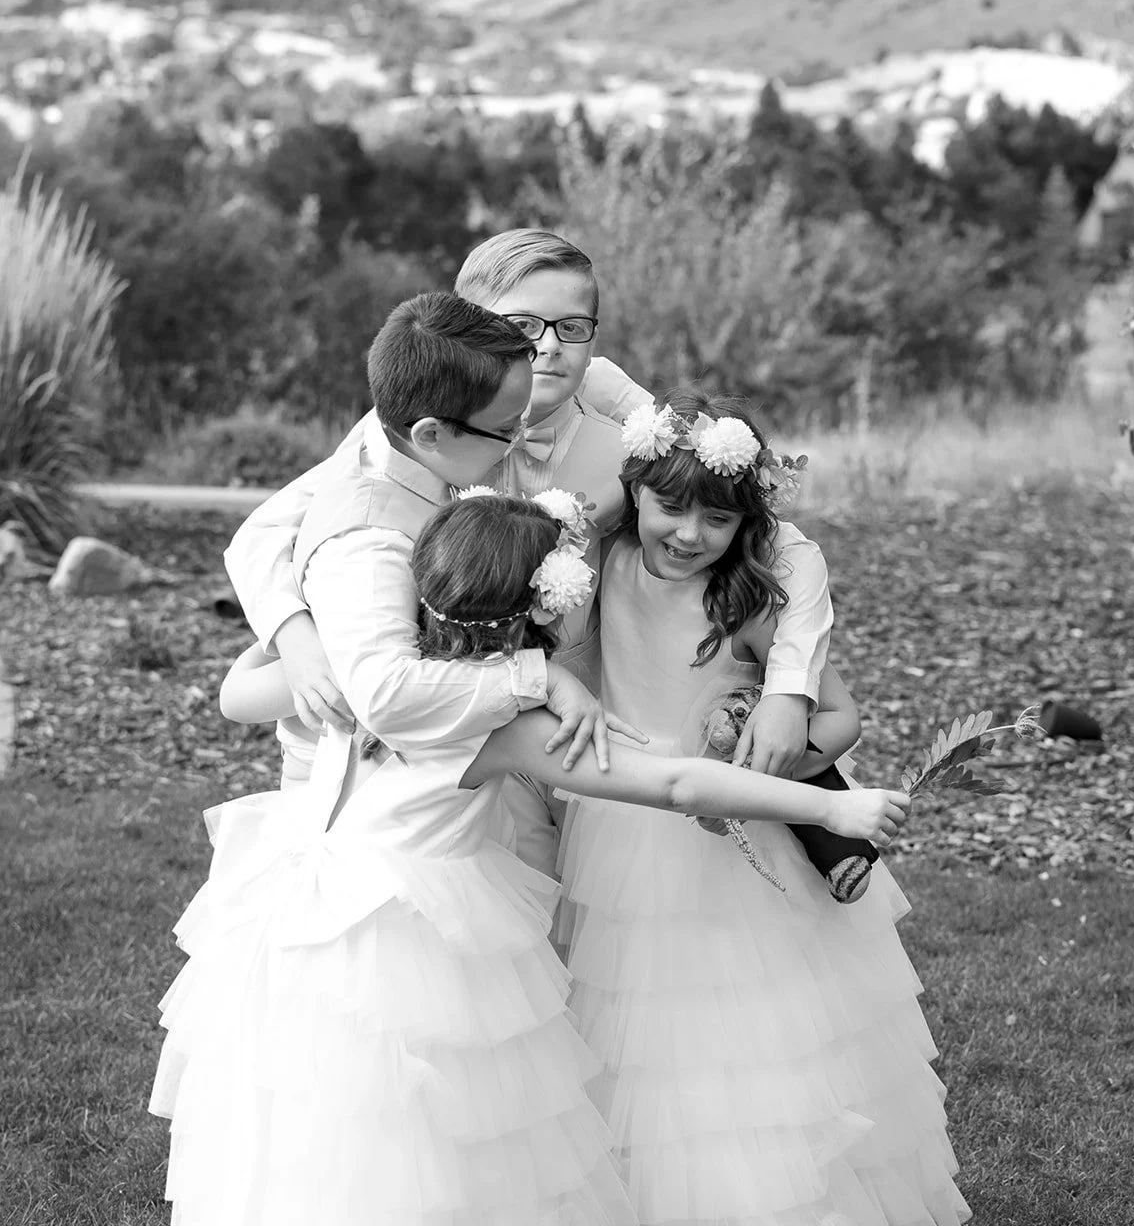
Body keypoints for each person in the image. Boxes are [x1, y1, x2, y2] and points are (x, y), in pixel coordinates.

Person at [89, 491, 911, 1226]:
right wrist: (833, 813)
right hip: (407, 934)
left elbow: (241, 685)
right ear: (540, 614)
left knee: (307, 1152)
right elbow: (676, 782)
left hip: (303, 926)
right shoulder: (503, 718)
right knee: (410, 1159)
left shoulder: (364, 675)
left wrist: (304, 638)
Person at [554, 393, 970, 1226]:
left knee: (753, 1035)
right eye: (670, 508)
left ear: (750, 523)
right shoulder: (600, 568)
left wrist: (753, 747)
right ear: (636, 495)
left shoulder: (752, 599)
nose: (689, 533)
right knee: (632, 1030)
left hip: (748, 830)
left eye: (719, 517)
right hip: (629, 816)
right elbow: (576, 673)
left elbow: (841, 720)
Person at [221, 230, 833, 874]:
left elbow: (771, 538)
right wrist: (295, 636)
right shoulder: (412, 429)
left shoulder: (634, 430)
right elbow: (272, 532)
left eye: (572, 327)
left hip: (587, 716)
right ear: (470, 332)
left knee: (575, 924)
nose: (547, 346)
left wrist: (789, 689)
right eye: (522, 325)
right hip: (446, 718)